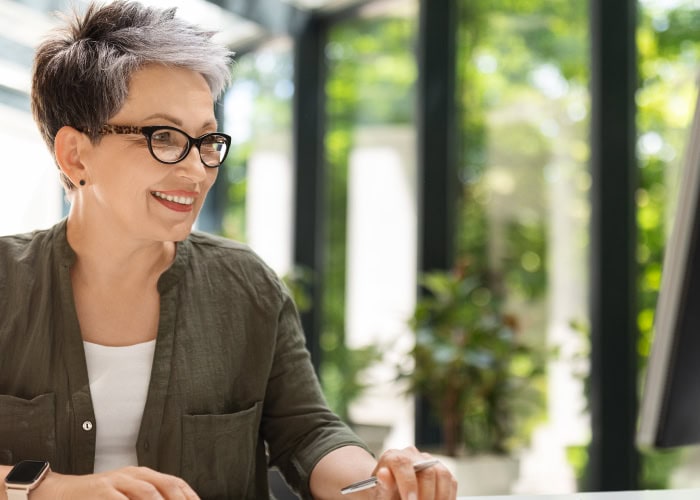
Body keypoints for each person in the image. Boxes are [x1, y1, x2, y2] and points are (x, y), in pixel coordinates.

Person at [0, 1, 457, 499]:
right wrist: (52, 490)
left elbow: (308, 433)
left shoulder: (246, 286)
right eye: (165, 137)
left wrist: (379, 482)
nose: (197, 171)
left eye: (207, 141)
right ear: (75, 152)